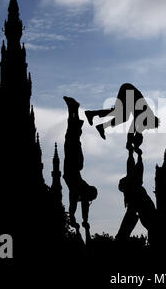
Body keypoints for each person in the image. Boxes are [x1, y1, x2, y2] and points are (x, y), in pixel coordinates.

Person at [63, 96, 98, 236]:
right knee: (72, 135)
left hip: (75, 163)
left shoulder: (81, 189)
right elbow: (75, 204)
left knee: (72, 134)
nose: (85, 200)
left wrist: (83, 220)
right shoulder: (78, 188)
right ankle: (73, 108)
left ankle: (72, 109)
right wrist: (76, 218)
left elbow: (81, 205)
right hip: (73, 163)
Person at [85, 83, 159, 148]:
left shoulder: (145, 119)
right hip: (128, 90)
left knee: (123, 116)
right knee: (119, 113)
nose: (147, 128)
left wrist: (133, 144)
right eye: (148, 127)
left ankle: (100, 125)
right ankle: (92, 115)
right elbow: (132, 131)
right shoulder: (142, 115)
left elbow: (136, 132)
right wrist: (129, 143)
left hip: (130, 94)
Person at [116, 132, 156, 240]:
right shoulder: (133, 187)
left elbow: (132, 167)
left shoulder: (132, 188)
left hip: (143, 204)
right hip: (144, 206)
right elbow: (133, 167)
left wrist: (134, 153)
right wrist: (136, 154)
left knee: (149, 224)